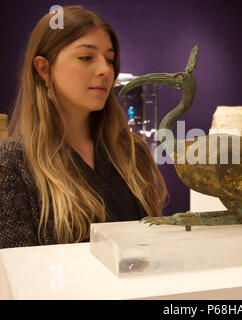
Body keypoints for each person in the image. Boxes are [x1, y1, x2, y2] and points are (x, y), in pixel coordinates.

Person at [0, 6, 167, 249]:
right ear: (44, 69)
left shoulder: (131, 151)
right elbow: (19, 274)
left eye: (109, 59)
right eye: (86, 57)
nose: (105, 70)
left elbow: (151, 247)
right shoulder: (12, 164)